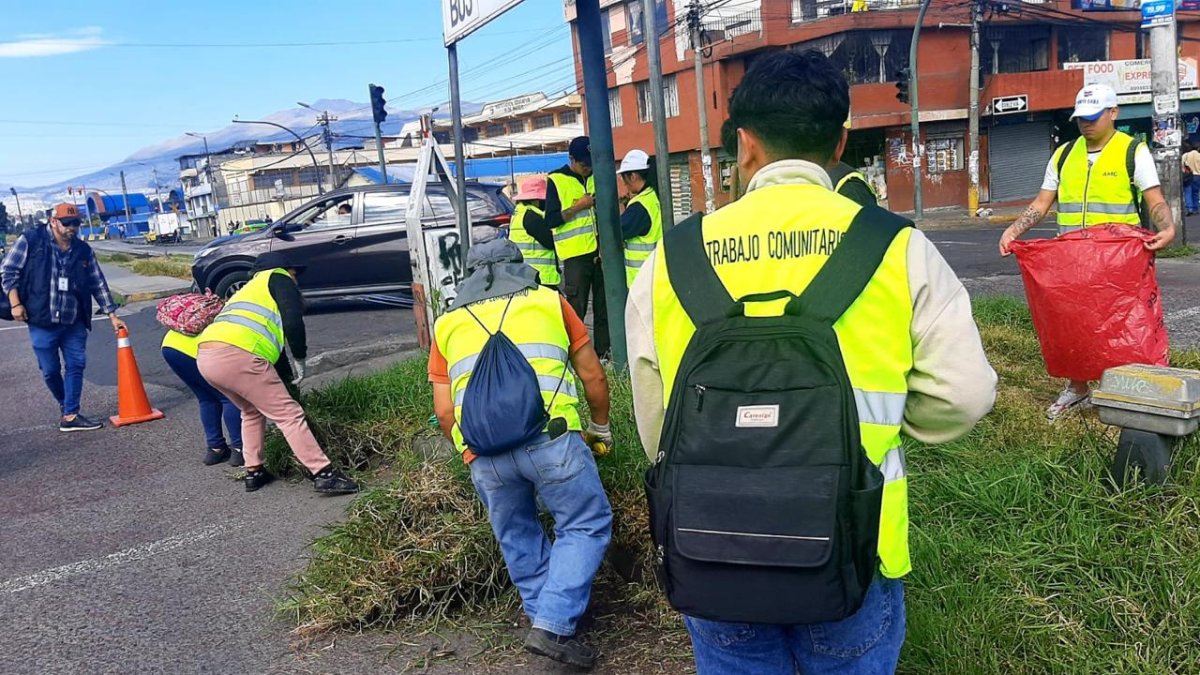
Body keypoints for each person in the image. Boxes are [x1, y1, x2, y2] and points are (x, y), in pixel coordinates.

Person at [627, 50, 996, 674]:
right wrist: (872, 433)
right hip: (855, 541)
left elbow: (653, 410)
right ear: (838, 142)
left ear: (744, 145)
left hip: (714, 542)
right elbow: (964, 394)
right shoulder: (895, 247)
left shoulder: (673, 258)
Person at [428, 238, 613, 670]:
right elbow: (593, 376)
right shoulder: (550, 301)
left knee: (518, 534)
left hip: (485, 454)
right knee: (585, 523)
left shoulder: (447, 324)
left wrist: (471, 453)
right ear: (520, 264)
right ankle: (552, 626)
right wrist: (600, 430)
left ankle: (547, 623)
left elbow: (443, 411)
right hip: (551, 441)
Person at [999, 83, 1176, 420]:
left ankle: (1133, 389)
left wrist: (1167, 227)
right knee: (1074, 326)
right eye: (1081, 118)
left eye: (1093, 117)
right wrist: (1013, 230)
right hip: (1073, 263)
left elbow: (1154, 199)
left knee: (1126, 327)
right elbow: (1041, 202)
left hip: (1119, 264)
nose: (1086, 123)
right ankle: (1078, 388)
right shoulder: (1064, 154)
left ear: (1113, 113)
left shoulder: (1132, 151)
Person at [196, 252, 359, 494]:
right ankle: (324, 474)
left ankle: (254, 472)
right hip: (238, 354)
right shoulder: (278, 278)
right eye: (295, 273)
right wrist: (301, 357)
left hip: (207, 357)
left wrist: (290, 379)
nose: (296, 279)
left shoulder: (250, 291)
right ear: (285, 270)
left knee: (250, 412)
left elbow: (277, 351)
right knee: (289, 414)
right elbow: (293, 323)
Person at [2, 203, 126, 431]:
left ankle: (70, 414)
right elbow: (9, 270)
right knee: (49, 370)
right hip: (41, 318)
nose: (72, 228)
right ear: (53, 221)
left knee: (76, 364)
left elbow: (97, 282)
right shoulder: (31, 240)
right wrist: (15, 303)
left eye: (75, 224)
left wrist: (112, 315)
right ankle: (65, 404)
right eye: (66, 223)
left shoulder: (83, 250)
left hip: (74, 319)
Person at [545, 136, 609, 358]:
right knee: (576, 309)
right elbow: (551, 220)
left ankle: (603, 354)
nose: (588, 168)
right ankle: (573, 356)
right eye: (584, 164)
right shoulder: (556, 180)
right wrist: (577, 208)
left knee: (604, 307)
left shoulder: (595, 176)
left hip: (599, 253)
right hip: (575, 257)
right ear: (571, 159)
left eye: (590, 163)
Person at [162, 328, 244, 467]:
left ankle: (215, 448)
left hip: (171, 345)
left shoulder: (202, 305)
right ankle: (239, 449)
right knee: (228, 396)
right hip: (197, 349)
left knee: (206, 397)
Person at [616, 149, 663, 287]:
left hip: (641, 280)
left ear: (633, 176)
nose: (624, 183)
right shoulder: (653, 196)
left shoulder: (639, 206)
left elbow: (617, 232)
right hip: (654, 273)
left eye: (623, 178)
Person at [507, 176, 561, 288]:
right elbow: (550, 242)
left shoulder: (519, 213)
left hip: (524, 274)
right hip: (540, 276)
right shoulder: (533, 218)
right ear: (535, 200)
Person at [1183, 143, 1200, 216]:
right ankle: (1196, 208)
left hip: (1189, 176)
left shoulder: (1185, 156)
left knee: (1188, 192)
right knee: (1195, 193)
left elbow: (1182, 166)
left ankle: (1189, 208)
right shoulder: (1199, 155)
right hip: (1198, 175)